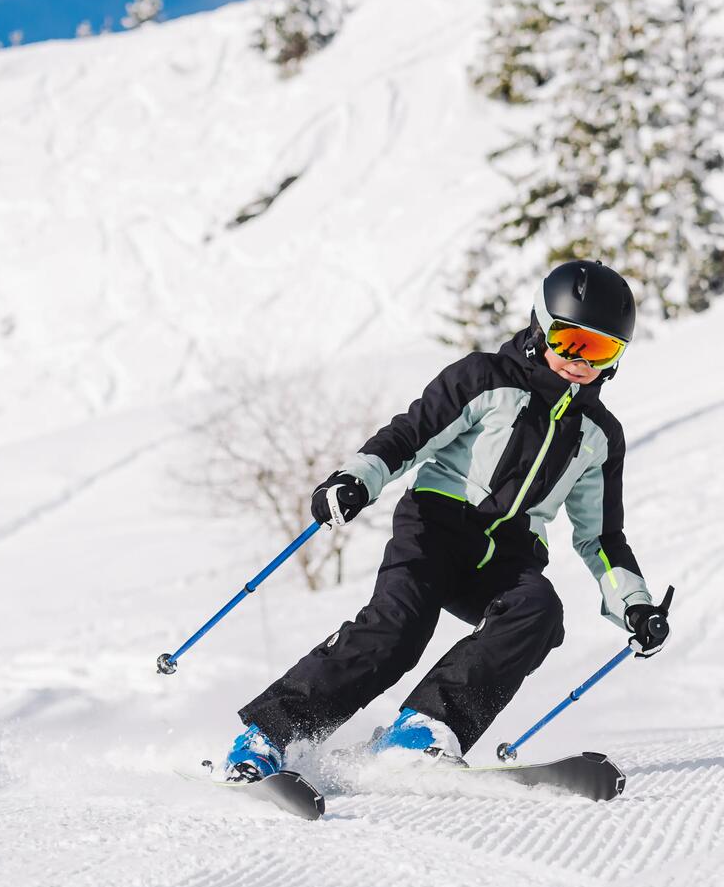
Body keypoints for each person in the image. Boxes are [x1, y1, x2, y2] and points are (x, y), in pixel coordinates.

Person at [223, 260, 669, 780]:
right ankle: (268, 736)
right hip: (435, 526)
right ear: (541, 326)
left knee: (538, 611)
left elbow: (601, 537)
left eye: (601, 350)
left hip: (508, 551)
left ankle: (423, 730)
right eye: (571, 340)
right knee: (398, 630)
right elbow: (411, 435)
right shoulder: (484, 378)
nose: (579, 361)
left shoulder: (599, 434)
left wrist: (635, 607)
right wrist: (356, 478)